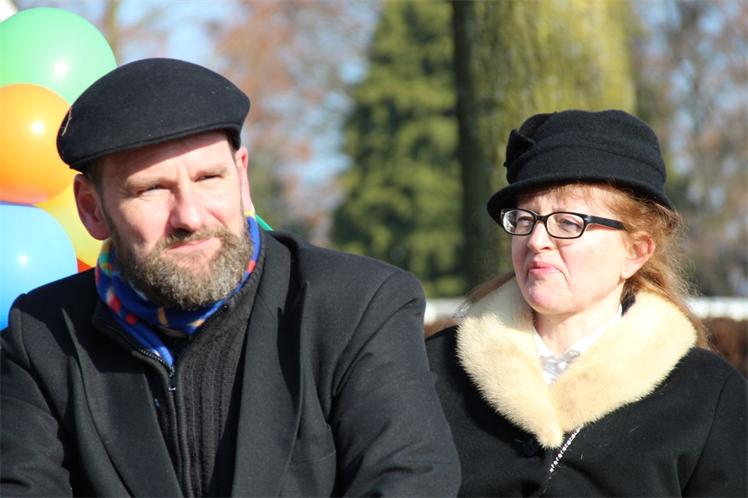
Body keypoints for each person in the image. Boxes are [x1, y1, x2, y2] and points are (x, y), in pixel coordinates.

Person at [0, 58, 460, 497]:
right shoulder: (40, 339)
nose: (190, 216)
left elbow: (410, 481)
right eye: (152, 189)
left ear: (241, 177)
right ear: (91, 208)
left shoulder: (357, 308)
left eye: (208, 178)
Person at [426, 109, 747, 496]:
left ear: (635, 251)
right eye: (525, 220)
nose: (536, 241)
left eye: (568, 222)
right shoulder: (433, 371)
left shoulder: (706, 394)